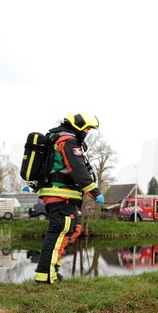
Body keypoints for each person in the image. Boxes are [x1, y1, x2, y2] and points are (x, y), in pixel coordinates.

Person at [34, 113, 105, 285]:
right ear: (79, 126)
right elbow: (78, 169)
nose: (88, 132)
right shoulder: (68, 140)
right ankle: (44, 276)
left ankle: (53, 269)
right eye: (87, 128)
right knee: (60, 230)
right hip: (60, 194)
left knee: (74, 229)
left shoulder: (60, 138)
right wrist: (94, 192)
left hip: (64, 195)